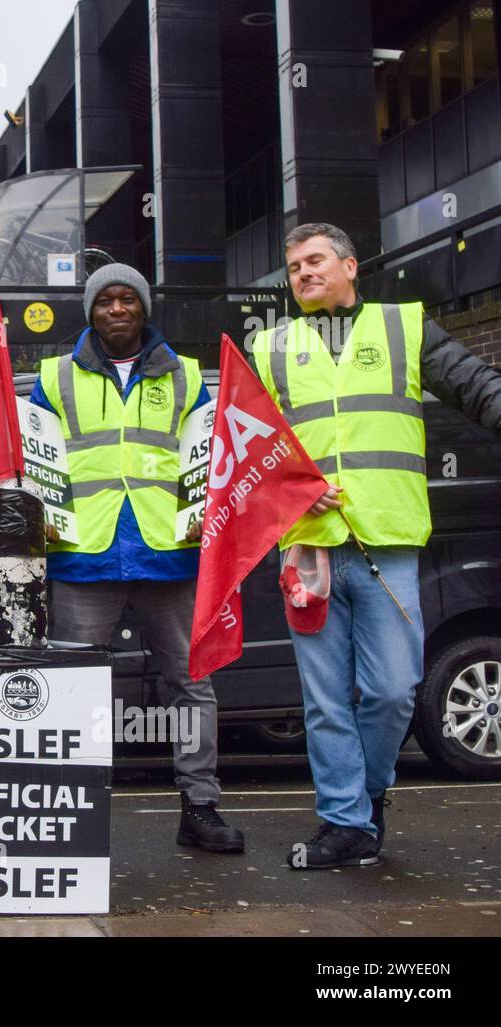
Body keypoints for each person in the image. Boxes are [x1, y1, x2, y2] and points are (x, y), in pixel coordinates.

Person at [251, 223, 501, 870]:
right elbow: (249, 449)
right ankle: (344, 821)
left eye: (315, 260)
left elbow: (477, 388)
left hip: (386, 539)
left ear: (350, 265)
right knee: (325, 698)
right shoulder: (269, 346)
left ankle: (364, 797)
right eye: (293, 266)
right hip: (309, 548)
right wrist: (293, 490)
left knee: (393, 690)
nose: (302, 273)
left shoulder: (404, 327)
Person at [31, 263, 245, 854]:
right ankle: (64, 814)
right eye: (106, 301)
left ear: (144, 308)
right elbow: (37, 463)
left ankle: (199, 807)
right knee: (71, 691)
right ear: (91, 311)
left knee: (191, 684)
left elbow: (208, 457)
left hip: (169, 554)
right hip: (82, 556)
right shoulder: (54, 378)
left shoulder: (186, 378)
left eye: (129, 299)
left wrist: (209, 518)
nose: (118, 309)